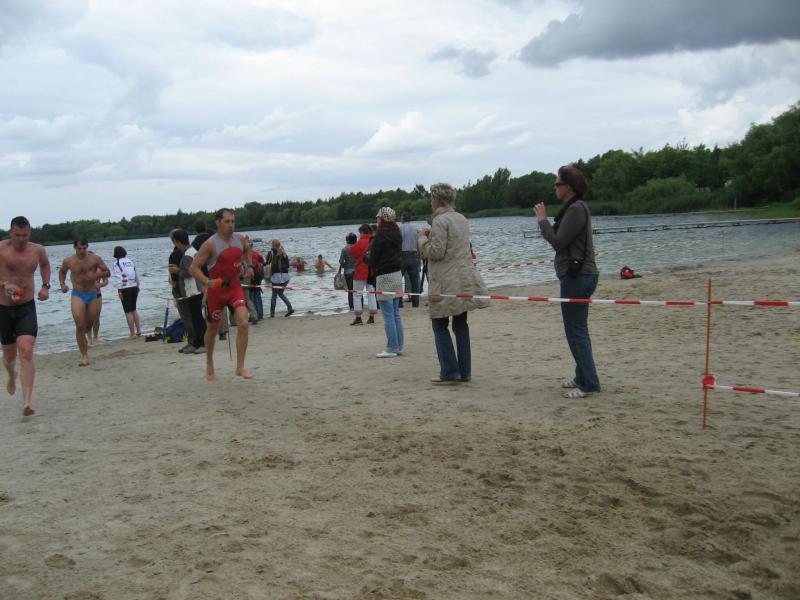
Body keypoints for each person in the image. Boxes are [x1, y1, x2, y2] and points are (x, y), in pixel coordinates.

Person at [534, 165, 601, 399]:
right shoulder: (574, 208)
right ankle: (582, 376)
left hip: (578, 277)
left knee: (575, 331)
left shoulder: (576, 209)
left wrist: (542, 221)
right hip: (579, 276)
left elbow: (558, 242)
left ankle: (589, 383)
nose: (554, 188)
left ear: (568, 187)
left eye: (557, 184)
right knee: (577, 329)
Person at [418, 183, 490, 384]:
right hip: (464, 278)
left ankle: (450, 371)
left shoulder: (440, 220)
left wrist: (422, 239)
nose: (431, 202)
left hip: (445, 280)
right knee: (460, 324)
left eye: (432, 198)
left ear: (438, 200)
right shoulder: (461, 218)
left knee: (439, 323)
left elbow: (436, 252)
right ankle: (464, 371)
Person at [190, 208, 255, 380]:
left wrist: (249, 267)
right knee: (212, 330)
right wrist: (207, 281)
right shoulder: (210, 244)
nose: (231, 225)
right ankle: (209, 364)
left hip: (234, 288)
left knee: (243, 323)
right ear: (218, 223)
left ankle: (240, 367)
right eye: (227, 221)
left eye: (233, 221)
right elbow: (193, 268)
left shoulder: (240, 239)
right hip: (216, 292)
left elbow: (248, 250)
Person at [0, 216, 51, 416]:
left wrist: (45, 286)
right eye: (17, 235)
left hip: (26, 306)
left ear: (29, 233)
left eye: (25, 235)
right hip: (4, 308)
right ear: (10, 233)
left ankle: (26, 402)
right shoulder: (1, 249)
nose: (21, 239)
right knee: (9, 355)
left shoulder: (37, 250)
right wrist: (5, 284)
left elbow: (45, 265)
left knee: (26, 350)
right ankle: (11, 374)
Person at [58, 239, 110, 366]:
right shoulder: (69, 261)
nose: (82, 251)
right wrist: (62, 284)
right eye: (79, 248)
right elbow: (62, 271)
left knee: (89, 323)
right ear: (75, 248)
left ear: (87, 247)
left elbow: (107, 272)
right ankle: (84, 356)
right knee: (80, 324)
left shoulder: (95, 259)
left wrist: (95, 276)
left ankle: (89, 337)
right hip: (78, 293)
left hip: (92, 294)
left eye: (84, 248)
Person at [366, 207, 404, 358]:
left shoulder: (380, 236)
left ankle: (392, 347)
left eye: (378, 218)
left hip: (384, 276)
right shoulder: (397, 234)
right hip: (397, 274)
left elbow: (373, 259)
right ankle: (399, 345)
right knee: (395, 313)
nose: (377, 220)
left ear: (382, 219)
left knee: (388, 314)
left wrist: (366, 257)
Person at [172, 229, 206, 354]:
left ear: (177, 241)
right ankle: (196, 343)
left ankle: (202, 343)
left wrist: (176, 271)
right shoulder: (194, 251)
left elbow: (189, 272)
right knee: (196, 317)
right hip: (197, 288)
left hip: (192, 290)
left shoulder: (187, 255)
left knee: (197, 318)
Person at [347, 224, 377, 325]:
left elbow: (351, 251)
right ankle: (372, 316)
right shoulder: (374, 241)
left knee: (357, 294)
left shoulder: (361, 241)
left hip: (361, 271)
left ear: (362, 232)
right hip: (372, 271)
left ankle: (358, 317)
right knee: (371, 294)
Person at [110, 246, 142, 339]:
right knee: (134, 309)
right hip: (134, 286)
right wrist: (138, 285)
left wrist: (119, 290)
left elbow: (118, 277)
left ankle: (132, 333)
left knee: (128, 311)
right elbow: (136, 274)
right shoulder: (130, 261)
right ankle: (138, 331)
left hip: (125, 288)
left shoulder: (117, 263)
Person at [265, 240, 294, 317]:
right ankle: (290, 308)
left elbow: (267, 263)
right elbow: (288, 265)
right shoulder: (284, 252)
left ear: (273, 245)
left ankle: (272, 314)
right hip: (285, 276)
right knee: (280, 293)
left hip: (276, 277)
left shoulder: (271, 253)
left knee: (274, 295)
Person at [399, 210, 421, 308]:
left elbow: (398, 242)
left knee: (398, 280)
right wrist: (419, 256)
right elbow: (418, 242)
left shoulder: (400, 228)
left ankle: (399, 303)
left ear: (403, 218)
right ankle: (415, 303)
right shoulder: (415, 228)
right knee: (415, 281)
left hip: (403, 255)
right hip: (413, 255)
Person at [338, 233, 357, 311]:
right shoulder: (358, 247)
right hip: (357, 271)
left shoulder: (344, 249)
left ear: (348, 240)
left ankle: (352, 307)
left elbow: (341, 261)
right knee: (358, 290)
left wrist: (345, 265)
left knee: (350, 290)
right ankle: (360, 305)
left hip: (348, 272)